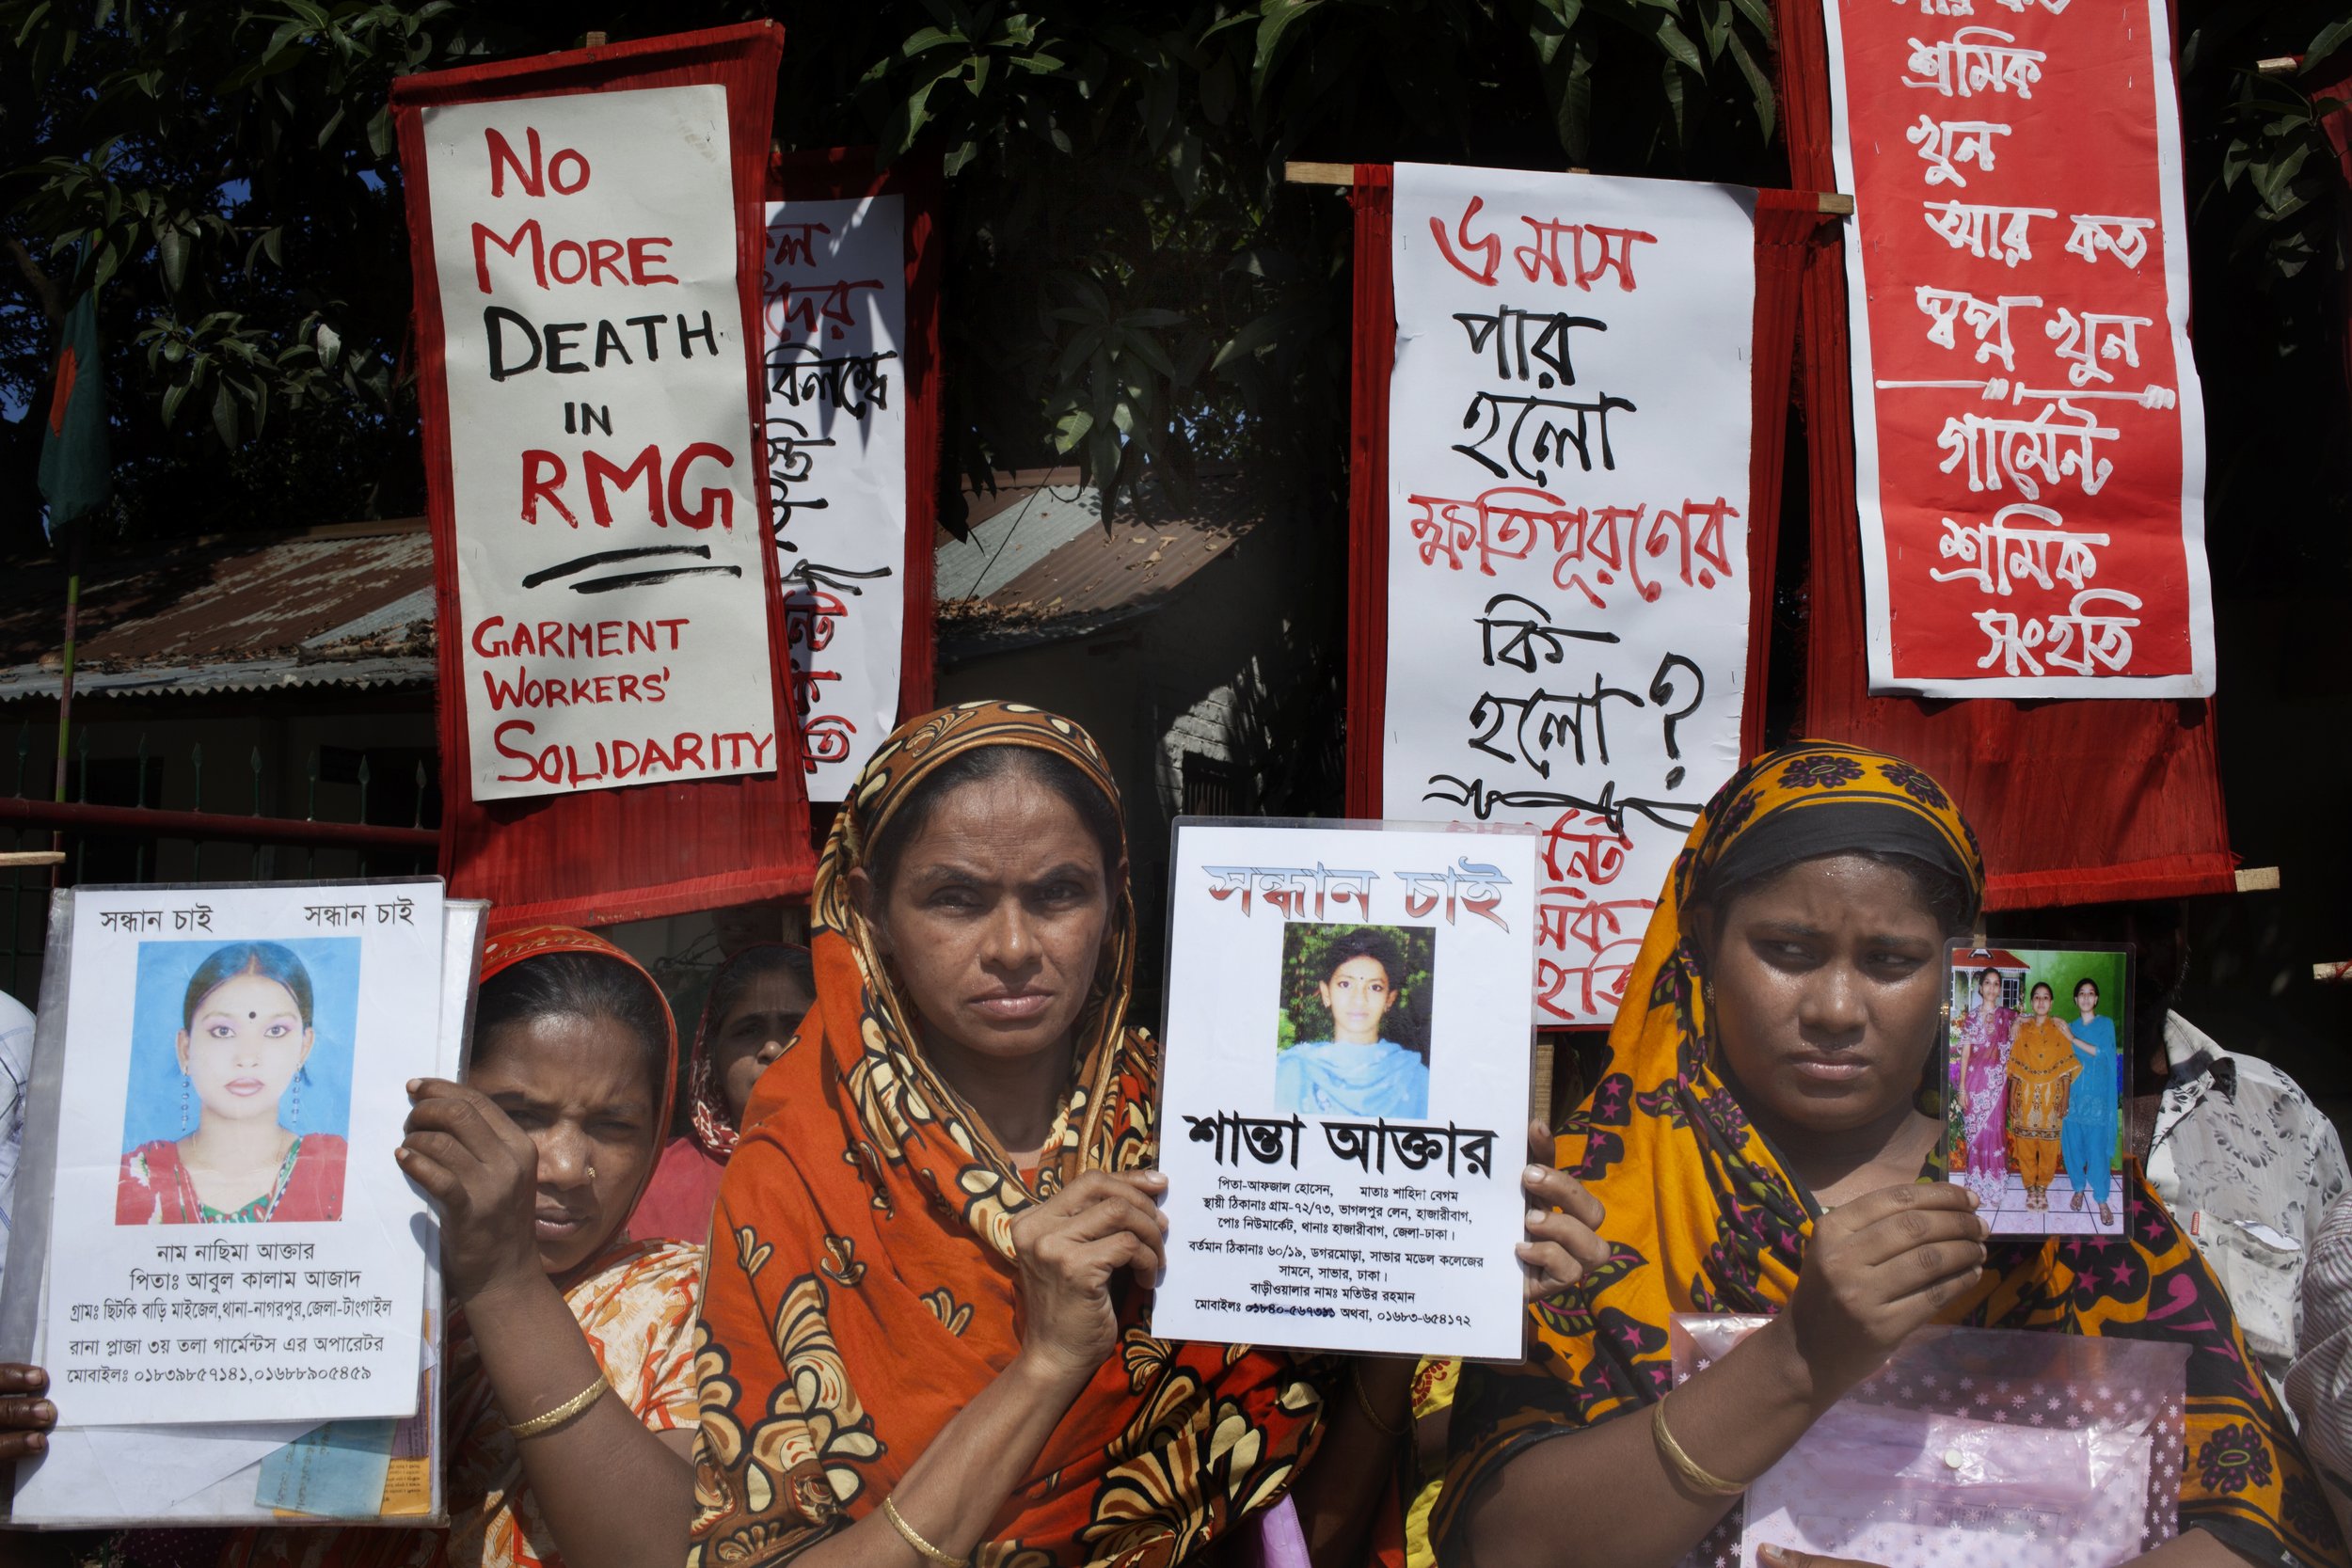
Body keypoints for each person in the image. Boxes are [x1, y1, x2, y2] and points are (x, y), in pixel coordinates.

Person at [688, 701, 1607, 1568]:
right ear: (872, 909)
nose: (1012, 945)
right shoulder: (795, 1177)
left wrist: (1420, 1286)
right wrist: (1047, 1365)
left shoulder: (1219, 1126)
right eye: (956, 899)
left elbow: (1301, 1539)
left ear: (1116, 895)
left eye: (1057, 893)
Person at [1434, 740, 2346, 1568]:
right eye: (1786, 950)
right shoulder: (1583, 1203)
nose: (1834, 1006)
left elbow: (2245, 1505)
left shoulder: (2049, 1191)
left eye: (1888, 960)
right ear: (1703, 938)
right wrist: (1800, 1354)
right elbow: (1506, 1538)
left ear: (1960, 962)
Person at [221, 924, 704, 1568]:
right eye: (520, 1114)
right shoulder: (325, 1275)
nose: (562, 1166)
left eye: (614, 1125)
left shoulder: (683, 1299)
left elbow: (664, 1552)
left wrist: (504, 1284)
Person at [117, 942, 346, 1225]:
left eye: (275, 1031)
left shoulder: (337, 1173)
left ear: (304, 1046)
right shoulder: (131, 1179)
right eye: (223, 1031)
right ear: (185, 1049)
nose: (247, 1057)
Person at [628, 942, 816, 1244]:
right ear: (711, 1054)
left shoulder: (878, 1167)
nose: (771, 1049)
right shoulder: (654, 1180)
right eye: (749, 1030)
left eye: (795, 1027)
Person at [1275, 927, 1430, 1119]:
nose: (1359, 1000)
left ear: (1389, 1000)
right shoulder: (1290, 1072)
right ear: (1326, 993)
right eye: (1345, 984)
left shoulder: (1417, 1080)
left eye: (1375, 987)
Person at [2005, 981, 2081, 1214]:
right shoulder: (2022, 1030)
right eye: (2036, 997)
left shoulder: (2059, 1030)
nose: (2040, 1001)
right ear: (2031, 1002)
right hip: (2026, 1097)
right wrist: (2011, 1097)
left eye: (2045, 997)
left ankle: (2043, 1188)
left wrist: (2066, 1097)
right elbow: (2016, 1066)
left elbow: (2067, 1069)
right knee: (2025, 1144)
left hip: (2052, 1098)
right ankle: (2030, 1188)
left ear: (2051, 1002)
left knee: (2049, 1145)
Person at [1951, 965, 2015, 1207]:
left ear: (1999, 989)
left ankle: (1994, 1186)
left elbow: (2030, 1021)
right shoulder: (1970, 1018)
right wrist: (1962, 1088)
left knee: (1995, 1131)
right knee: (1976, 1134)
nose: (1992, 987)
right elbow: (1965, 1055)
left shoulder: (2007, 1017)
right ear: (1980, 988)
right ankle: (1977, 1185)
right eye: (1987, 982)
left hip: (1997, 1086)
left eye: (1996, 983)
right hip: (1976, 1084)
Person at [2061, 976, 2120, 1225]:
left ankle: (2103, 1199)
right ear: (2076, 1000)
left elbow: (2103, 1052)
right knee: (2073, 1148)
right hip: (2074, 1101)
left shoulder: (2105, 1025)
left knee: (2097, 1153)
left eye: (2090, 993)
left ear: (2096, 999)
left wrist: (2072, 1038)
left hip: (2097, 1103)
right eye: (2081, 993)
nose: (2086, 997)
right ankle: (2077, 1188)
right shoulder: (2070, 1025)